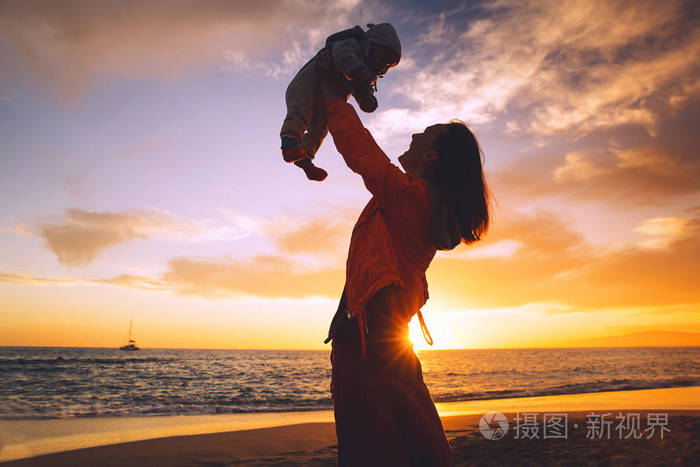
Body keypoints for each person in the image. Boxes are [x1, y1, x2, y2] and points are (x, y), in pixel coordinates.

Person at [316, 49, 491, 466]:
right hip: (379, 336)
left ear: (431, 157)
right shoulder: (417, 201)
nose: (411, 139)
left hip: (369, 342)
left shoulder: (413, 199)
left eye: (421, 136)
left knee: (374, 446)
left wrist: (332, 98)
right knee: (413, 438)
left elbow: (362, 154)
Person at [280, 23, 401, 182]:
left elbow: (362, 90)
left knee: (321, 130)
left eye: (388, 66)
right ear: (371, 45)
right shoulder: (351, 45)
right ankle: (289, 144)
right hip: (309, 85)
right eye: (384, 59)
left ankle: (305, 159)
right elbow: (343, 55)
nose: (383, 67)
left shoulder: (366, 74)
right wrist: (355, 69)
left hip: (325, 101)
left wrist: (366, 99)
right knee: (301, 111)